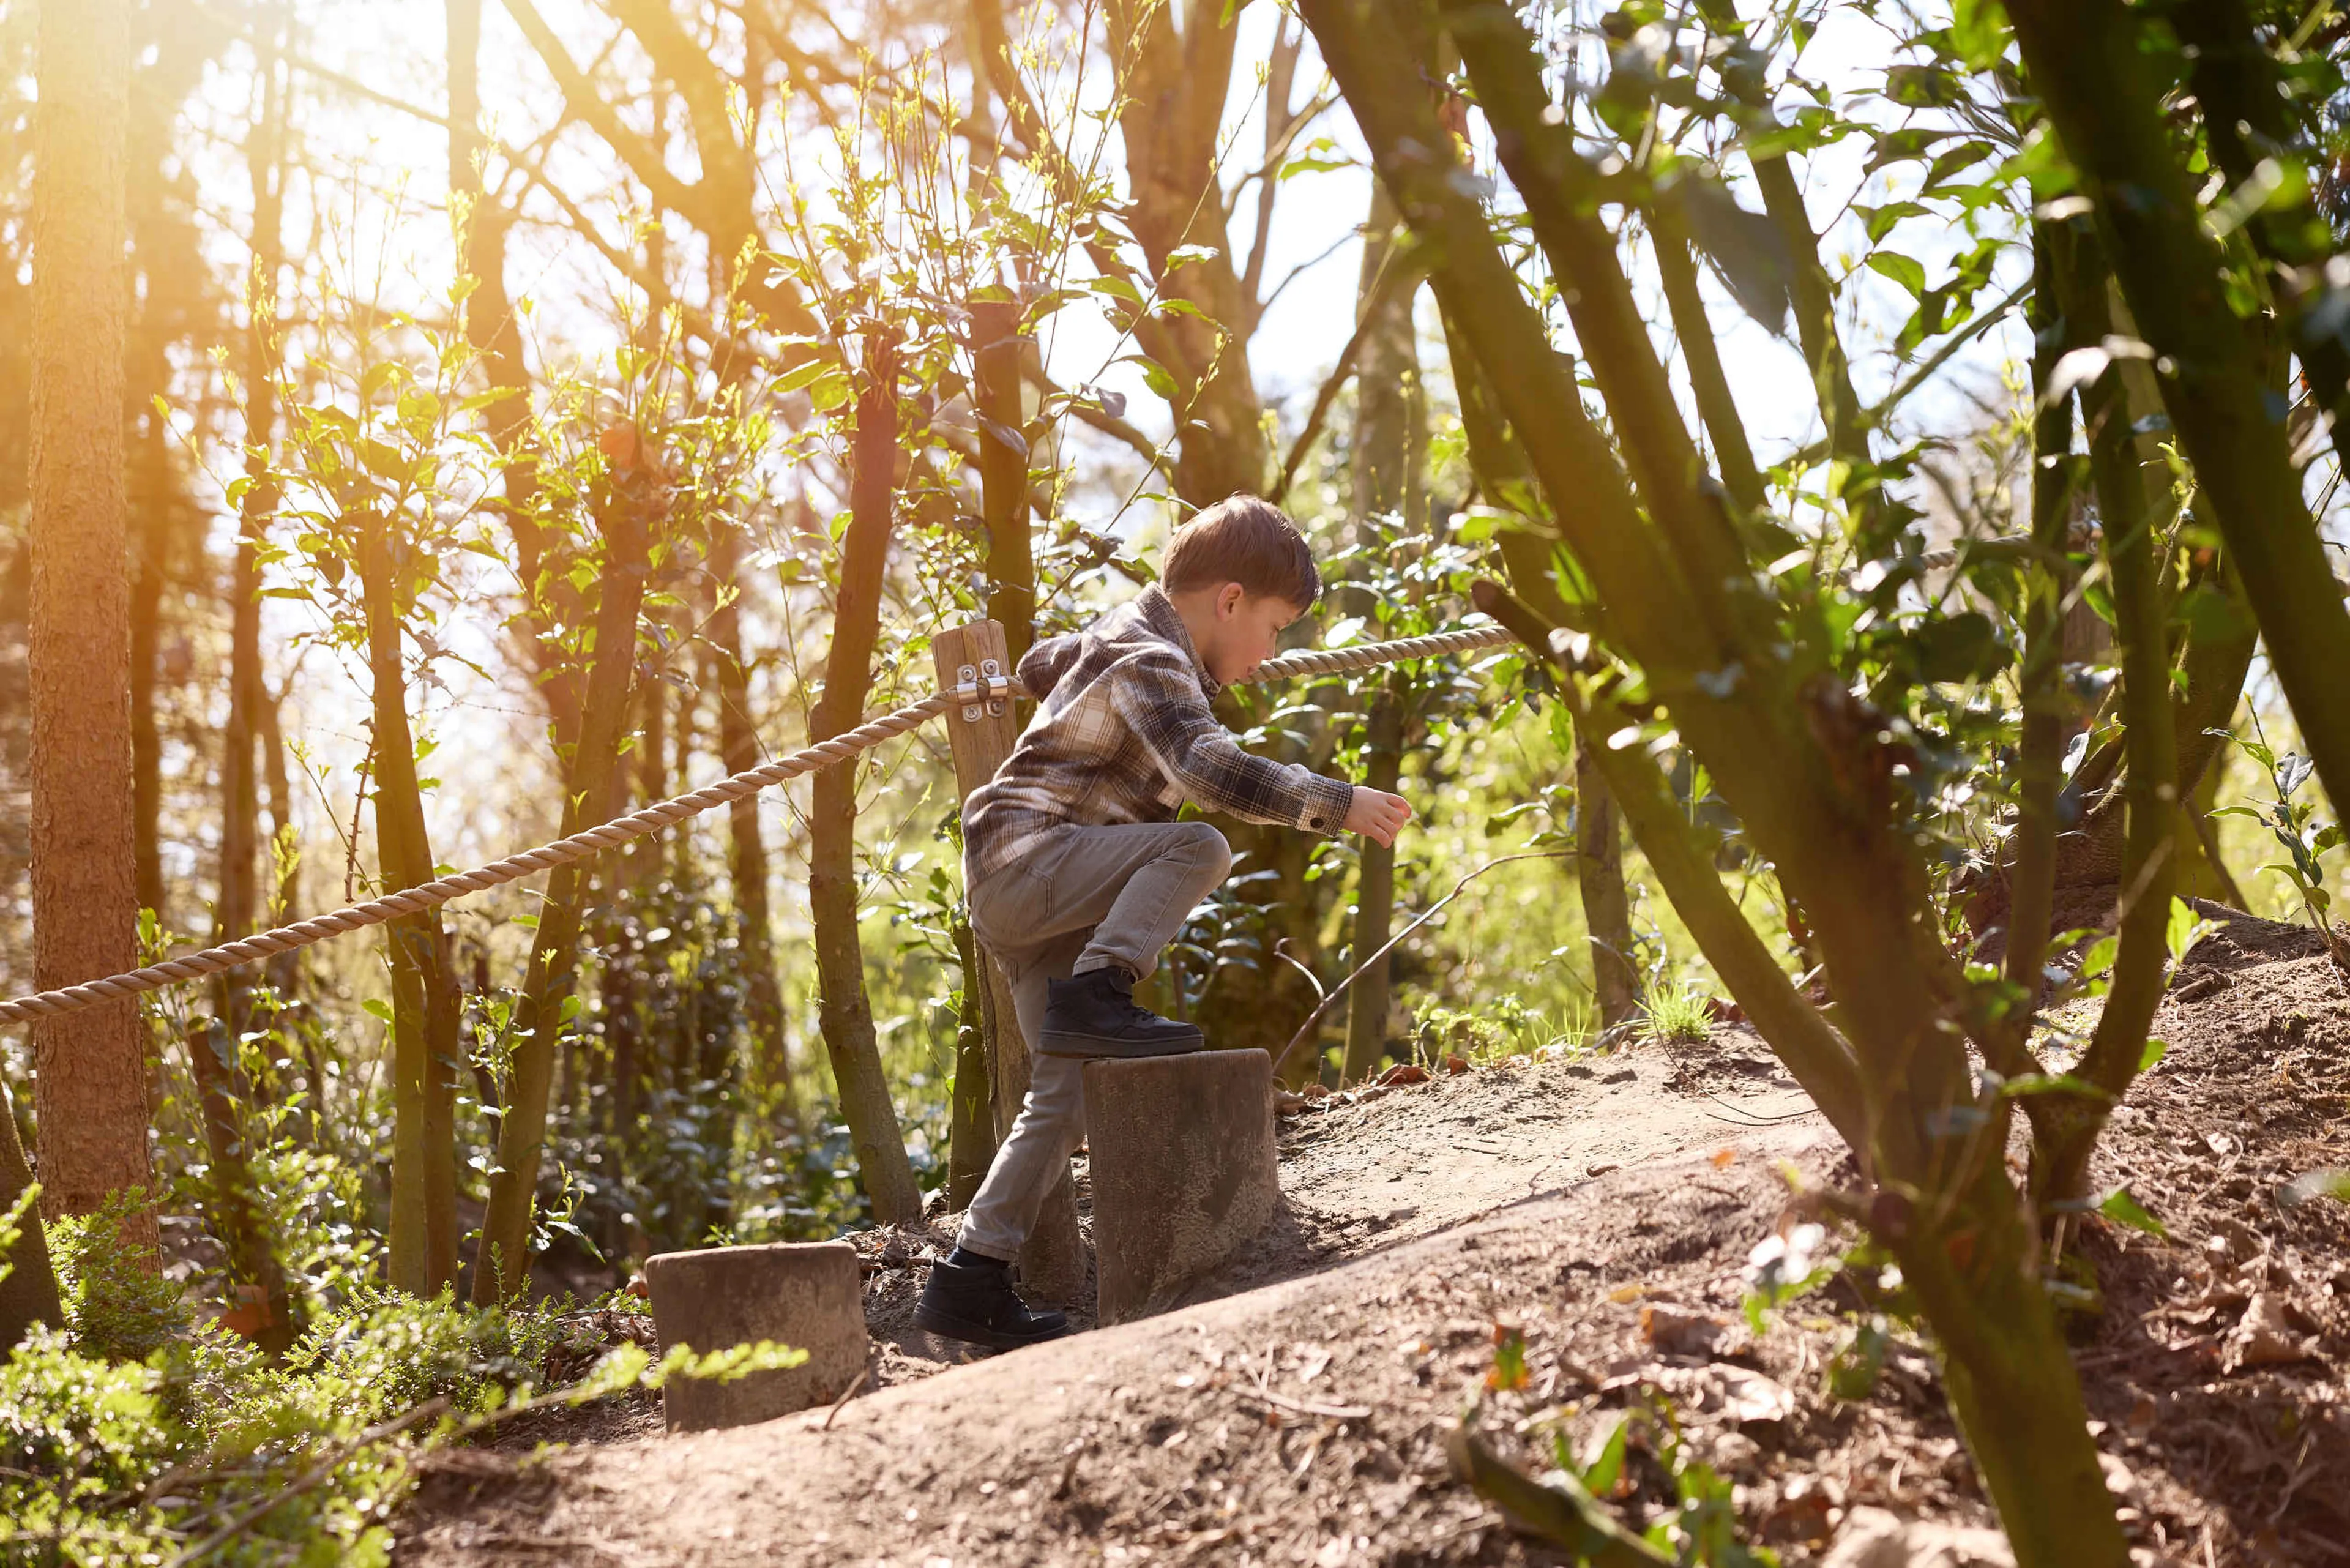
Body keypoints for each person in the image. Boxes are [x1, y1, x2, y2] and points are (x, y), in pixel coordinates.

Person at [912, 495, 1414, 1350]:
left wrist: (1066, 667)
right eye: (1275, 624)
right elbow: (1210, 770)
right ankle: (1106, 987)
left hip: (1040, 900)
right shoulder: (1152, 659)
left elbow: (1042, 661)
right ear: (1227, 601)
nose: (1272, 652)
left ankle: (969, 1279)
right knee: (1200, 847)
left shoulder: (1120, 639)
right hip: (1029, 863)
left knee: (1064, 1098)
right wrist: (1339, 801)